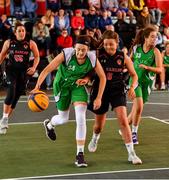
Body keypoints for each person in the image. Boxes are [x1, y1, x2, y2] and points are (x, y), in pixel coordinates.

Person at [31, 35, 106, 167]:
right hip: (62, 86)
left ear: (88, 49)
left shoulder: (92, 58)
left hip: (77, 86)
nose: (80, 52)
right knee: (63, 118)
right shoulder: (66, 54)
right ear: (74, 47)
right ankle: (49, 125)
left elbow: (102, 77)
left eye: (83, 50)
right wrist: (37, 86)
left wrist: (98, 96)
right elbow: (48, 69)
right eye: (78, 49)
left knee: (81, 118)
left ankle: (80, 154)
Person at [87, 30, 142, 165]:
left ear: (117, 43)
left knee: (123, 120)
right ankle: (95, 137)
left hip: (118, 91)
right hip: (100, 92)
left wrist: (133, 87)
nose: (108, 47)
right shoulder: (98, 55)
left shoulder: (123, 56)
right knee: (99, 126)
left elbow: (134, 75)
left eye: (111, 44)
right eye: (105, 44)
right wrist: (86, 79)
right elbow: (89, 73)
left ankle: (131, 153)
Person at [0, 21, 39, 134]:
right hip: (10, 70)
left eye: (23, 31)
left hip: (24, 73)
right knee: (11, 91)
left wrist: (34, 67)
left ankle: (4, 119)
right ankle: (5, 118)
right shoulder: (9, 42)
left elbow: (36, 56)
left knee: (16, 97)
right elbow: (2, 54)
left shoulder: (31, 43)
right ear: (15, 32)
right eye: (19, 31)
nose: (22, 33)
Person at [128, 25, 162, 145]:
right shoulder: (137, 48)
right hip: (135, 81)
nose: (154, 39)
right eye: (152, 37)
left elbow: (160, 70)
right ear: (146, 38)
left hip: (147, 83)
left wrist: (147, 67)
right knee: (139, 108)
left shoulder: (156, 51)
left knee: (135, 111)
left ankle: (125, 127)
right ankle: (134, 134)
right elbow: (128, 61)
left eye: (156, 37)